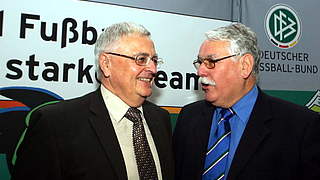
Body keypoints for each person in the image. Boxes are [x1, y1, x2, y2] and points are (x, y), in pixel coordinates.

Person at [11, 22, 174, 180]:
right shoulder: (56, 123)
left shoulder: (160, 118)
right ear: (106, 64)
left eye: (154, 60)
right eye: (141, 59)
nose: (153, 69)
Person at [173, 23, 320, 180]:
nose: (200, 71)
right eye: (200, 62)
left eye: (211, 62)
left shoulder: (301, 126)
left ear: (245, 65)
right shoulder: (189, 117)